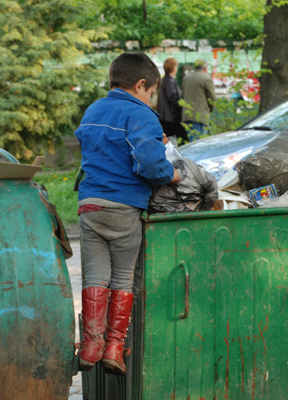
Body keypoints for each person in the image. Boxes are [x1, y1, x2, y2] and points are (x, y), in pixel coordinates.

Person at [74, 52, 181, 376]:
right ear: (140, 85)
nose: (151, 99)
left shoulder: (94, 109)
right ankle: (114, 349)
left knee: (95, 275)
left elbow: (100, 147)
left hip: (90, 205)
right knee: (122, 278)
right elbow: (149, 164)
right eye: (151, 93)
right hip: (124, 206)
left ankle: (90, 347)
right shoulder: (141, 114)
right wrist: (172, 174)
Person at [181, 59, 217, 139]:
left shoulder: (186, 78)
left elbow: (182, 96)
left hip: (187, 115)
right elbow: (212, 98)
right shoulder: (206, 78)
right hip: (200, 116)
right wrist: (211, 109)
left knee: (191, 141)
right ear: (206, 68)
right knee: (199, 142)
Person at [157, 57, 189, 143]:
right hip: (171, 116)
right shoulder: (170, 81)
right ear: (174, 68)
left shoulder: (164, 80)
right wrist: (182, 106)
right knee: (184, 139)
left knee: (169, 140)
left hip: (165, 116)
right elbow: (173, 97)